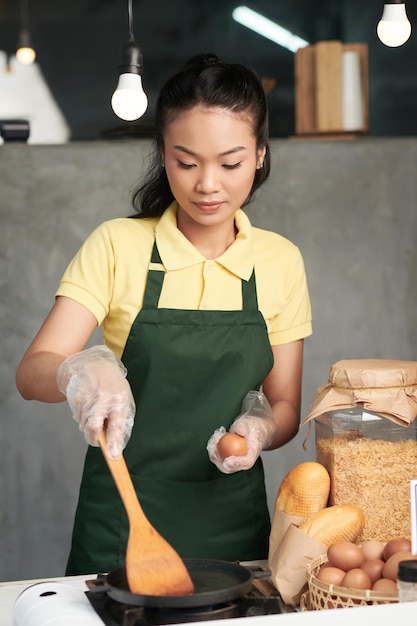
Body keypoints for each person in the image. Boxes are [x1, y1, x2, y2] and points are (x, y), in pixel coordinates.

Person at [15, 53, 312, 576]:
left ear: (260, 156)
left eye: (230, 162)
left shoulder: (280, 261)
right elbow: (32, 370)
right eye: (187, 161)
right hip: (120, 521)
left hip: (234, 528)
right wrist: (78, 368)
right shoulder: (117, 245)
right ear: (163, 155)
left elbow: (286, 402)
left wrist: (261, 429)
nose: (207, 184)